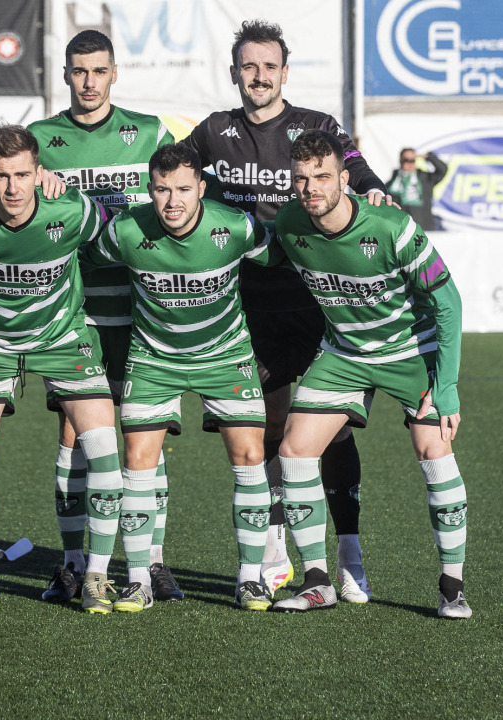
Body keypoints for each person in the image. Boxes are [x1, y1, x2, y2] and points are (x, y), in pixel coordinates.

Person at [184, 20, 390, 604]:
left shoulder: (316, 126)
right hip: (249, 306)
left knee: (335, 434)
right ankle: (274, 547)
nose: (259, 76)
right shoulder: (214, 132)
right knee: (268, 429)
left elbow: (354, 163)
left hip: (321, 302)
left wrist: (373, 189)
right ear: (235, 73)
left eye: (268, 66)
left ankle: (349, 555)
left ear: (283, 72)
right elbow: (171, 171)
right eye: (248, 66)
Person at [271, 130, 470, 619]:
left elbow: (448, 302)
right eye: (301, 179)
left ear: (345, 178)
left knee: (433, 450)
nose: (310, 188)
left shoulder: (391, 226)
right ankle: (318, 581)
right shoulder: (289, 224)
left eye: (321, 177)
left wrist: (445, 388)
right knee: (294, 449)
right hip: (343, 353)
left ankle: (451, 587)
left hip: (409, 351)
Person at [0, 125, 124, 614]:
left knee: (104, 454)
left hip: (64, 340)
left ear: (39, 173)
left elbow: (116, 232)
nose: (13, 188)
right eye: (1, 177)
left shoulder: (72, 210)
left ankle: (95, 575)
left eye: (23, 175)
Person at [27, 29, 182, 606]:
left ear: (114, 73)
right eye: (78, 71)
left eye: (98, 71)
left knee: (149, 438)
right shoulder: (40, 139)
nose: (89, 82)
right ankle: (72, 562)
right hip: (75, 315)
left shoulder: (149, 132)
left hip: (145, 314)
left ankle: (154, 562)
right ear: (65, 75)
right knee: (74, 435)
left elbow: (184, 199)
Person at [86, 143, 277, 611]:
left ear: (202, 189)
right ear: (149, 190)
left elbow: (284, 258)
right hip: (154, 359)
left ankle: (251, 578)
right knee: (138, 463)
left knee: (251, 457)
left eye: (184, 189)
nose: (173, 201)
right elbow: (80, 260)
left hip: (225, 355)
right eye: (162, 189)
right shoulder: (126, 230)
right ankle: (137, 580)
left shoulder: (236, 226)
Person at [386, 148, 447, 231]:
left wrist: (429, 156)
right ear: (400, 161)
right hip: (401, 229)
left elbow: (442, 170)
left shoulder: (426, 179)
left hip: (425, 228)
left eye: (412, 160)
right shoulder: (393, 183)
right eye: (406, 160)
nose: (410, 163)